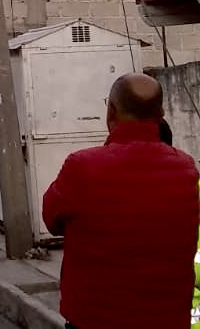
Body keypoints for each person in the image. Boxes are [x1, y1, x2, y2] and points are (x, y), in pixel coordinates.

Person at [43, 73, 199, 329]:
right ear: (161, 114)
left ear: (111, 111)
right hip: (169, 319)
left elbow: (51, 219)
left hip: (95, 319)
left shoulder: (82, 167)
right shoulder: (186, 169)